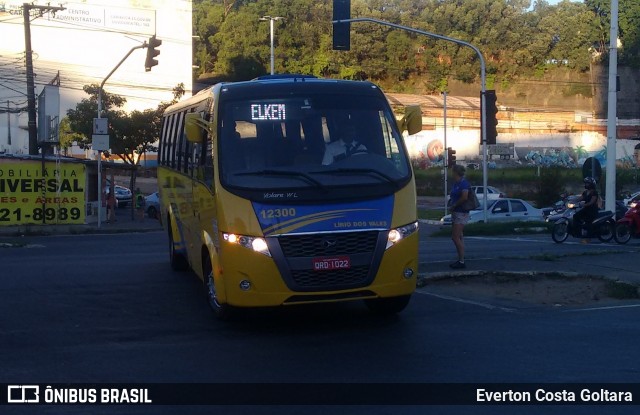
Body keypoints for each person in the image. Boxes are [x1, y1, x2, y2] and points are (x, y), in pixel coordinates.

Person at [447, 164, 471, 269]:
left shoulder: (463, 183)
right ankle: (460, 258)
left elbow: (464, 197)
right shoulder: (456, 184)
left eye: (453, 172)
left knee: (455, 237)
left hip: (461, 212)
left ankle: (462, 261)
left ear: (456, 172)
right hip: (456, 212)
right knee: (459, 236)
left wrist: (455, 205)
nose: (451, 173)